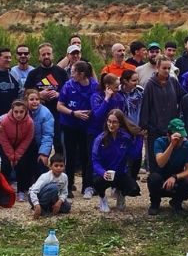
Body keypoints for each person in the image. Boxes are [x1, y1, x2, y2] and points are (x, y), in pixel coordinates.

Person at [90, 108, 142, 213]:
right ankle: (102, 198)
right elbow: (95, 161)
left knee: (134, 189)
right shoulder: (100, 139)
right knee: (96, 183)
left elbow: (135, 155)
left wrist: (140, 138)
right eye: (109, 121)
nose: (111, 125)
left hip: (119, 173)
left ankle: (121, 195)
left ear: (120, 124)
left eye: (114, 122)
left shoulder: (125, 138)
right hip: (104, 174)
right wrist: (102, 172)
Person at [57, 61, 97, 197]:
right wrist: (74, 113)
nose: (71, 74)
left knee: (87, 156)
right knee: (71, 156)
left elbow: (99, 103)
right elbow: (59, 105)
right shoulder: (68, 86)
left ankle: (88, 186)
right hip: (70, 125)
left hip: (88, 126)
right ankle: (67, 187)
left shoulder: (95, 86)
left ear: (82, 74)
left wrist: (92, 111)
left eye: (74, 72)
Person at [147, 118, 188, 215]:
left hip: (176, 177)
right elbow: (161, 163)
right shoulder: (159, 142)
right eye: (178, 138)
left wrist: (175, 177)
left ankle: (176, 202)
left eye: (182, 137)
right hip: (160, 175)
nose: (180, 140)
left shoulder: (187, 145)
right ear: (168, 135)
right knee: (153, 179)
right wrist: (172, 145)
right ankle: (155, 203)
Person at [0, 99, 36, 202]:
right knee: (4, 165)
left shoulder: (30, 122)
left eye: (21, 112)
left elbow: (27, 140)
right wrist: (11, 157)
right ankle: (4, 190)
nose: (18, 114)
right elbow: (3, 139)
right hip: (5, 145)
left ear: (25, 111)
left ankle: (22, 190)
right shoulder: (4, 121)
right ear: (12, 111)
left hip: (21, 145)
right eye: (16, 112)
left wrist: (17, 156)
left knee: (23, 164)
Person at [24, 43, 68, 123]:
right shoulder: (33, 73)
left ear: (53, 55)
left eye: (48, 54)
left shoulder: (62, 72)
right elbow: (25, 94)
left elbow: (69, 93)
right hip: (37, 115)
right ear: (39, 57)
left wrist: (58, 94)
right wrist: (39, 95)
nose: (46, 56)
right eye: (43, 54)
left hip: (58, 115)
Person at [28, 155, 71, 219]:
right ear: (50, 167)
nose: (59, 168)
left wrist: (59, 203)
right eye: (56, 166)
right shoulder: (45, 176)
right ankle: (40, 207)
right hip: (36, 196)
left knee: (67, 207)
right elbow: (33, 191)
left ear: (64, 167)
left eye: (61, 166)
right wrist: (36, 204)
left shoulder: (64, 177)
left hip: (52, 196)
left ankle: (48, 208)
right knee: (54, 187)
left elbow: (64, 192)